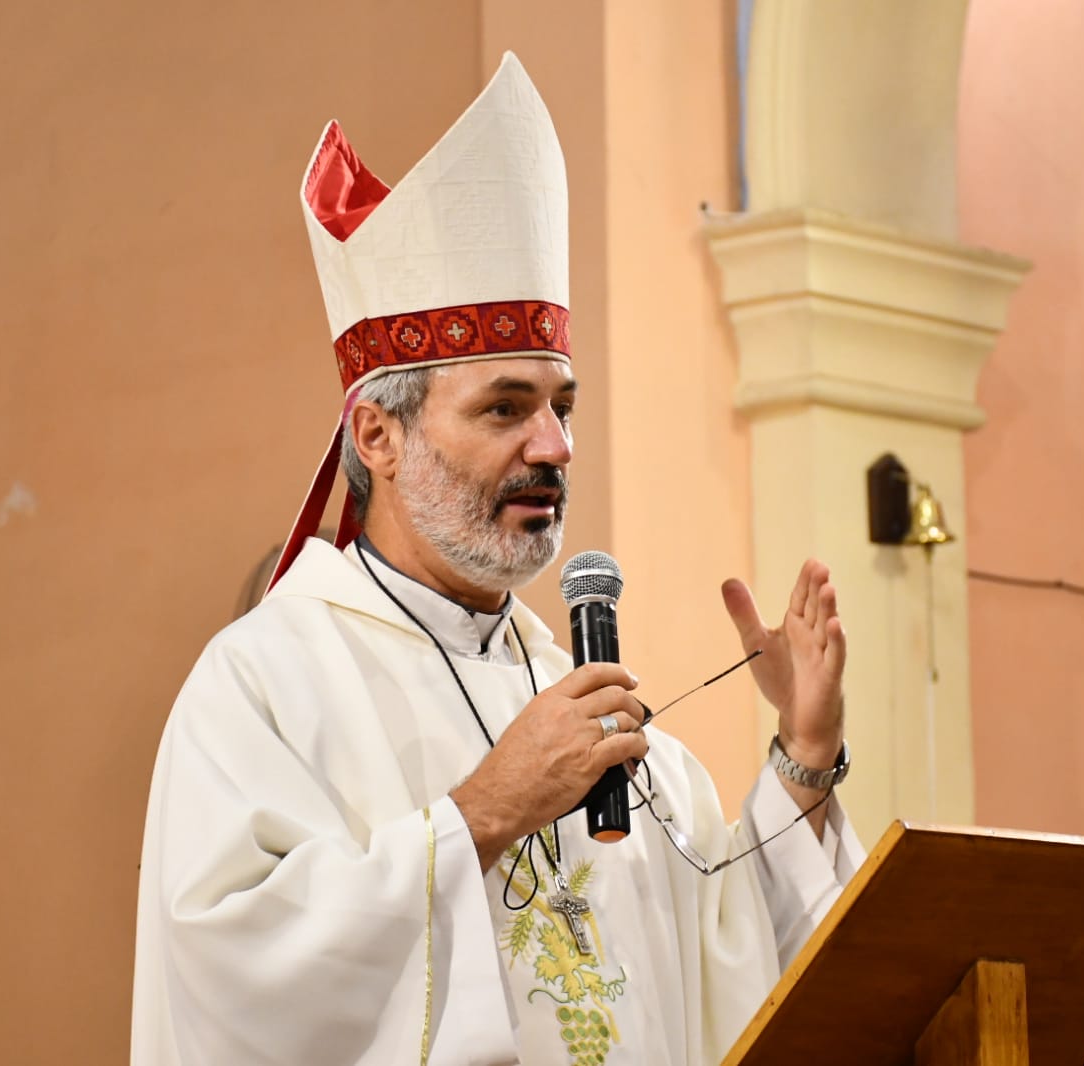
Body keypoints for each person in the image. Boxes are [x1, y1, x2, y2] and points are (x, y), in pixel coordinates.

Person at [131, 53, 863, 1066]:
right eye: (506, 408)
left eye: (562, 406)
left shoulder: (583, 700)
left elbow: (742, 975)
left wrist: (806, 758)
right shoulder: (264, 685)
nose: (556, 447)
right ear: (378, 437)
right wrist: (481, 815)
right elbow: (231, 974)